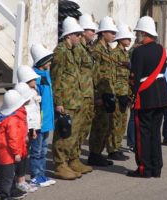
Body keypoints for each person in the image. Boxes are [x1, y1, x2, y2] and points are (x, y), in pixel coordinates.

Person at [127, 16, 167, 178]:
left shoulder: (138, 51)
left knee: (142, 134)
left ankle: (144, 168)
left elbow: (135, 77)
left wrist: (132, 96)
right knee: (154, 133)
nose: (138, 35)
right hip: (161, 96)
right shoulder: (161, 50)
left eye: (139, 32)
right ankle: (156, 168)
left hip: (145, 97)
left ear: (144, 33)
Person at [51, 16, 84, 180]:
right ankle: (60, 165)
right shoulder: (61, 52)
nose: (79, 37)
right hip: (65, 101)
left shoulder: (72, 50)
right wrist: (58, 102)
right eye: (77, 34)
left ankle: (70, 161)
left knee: (73, 134)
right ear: (68, 35)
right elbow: (56, 78)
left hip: (75, 99)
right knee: (63, 134)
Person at [68, 13, 98, 174]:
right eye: (91, 30)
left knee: (84, 129)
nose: (93, 33)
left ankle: (76, 158)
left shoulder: (87, 48)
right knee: (76, 129)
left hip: (89, 93)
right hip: (81, 94)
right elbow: (76, 72)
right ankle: (71, 159)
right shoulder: (77, 49)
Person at [87, 16, 118, 166]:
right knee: (98, 126)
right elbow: (94, 74)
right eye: (111, 32)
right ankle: (94, 154)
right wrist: (97, 96)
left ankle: (98, 153)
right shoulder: (96, 51)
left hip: (108, 92)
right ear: (103, 33)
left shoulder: (108, 49)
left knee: (106, 125)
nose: (114, 35)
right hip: (100, 93)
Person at [0, 89, 34, 200]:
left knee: (10, 174)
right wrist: (17, 153)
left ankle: (12, 192)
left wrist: (25, 135)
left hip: (7, 150)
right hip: (8, 152)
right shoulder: (12, 119)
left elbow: (19, 132)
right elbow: (13, 138)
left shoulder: (11, 116)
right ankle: (5, 195)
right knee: (7, 176)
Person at [29, 44, 57, 186]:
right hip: (38, 122)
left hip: (45, 121)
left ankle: (42, 175)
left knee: (43, 150)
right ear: (41, 62)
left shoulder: (45, 75)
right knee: (37, 151)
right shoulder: (35, 78)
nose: (50, 63)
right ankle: (35, 176)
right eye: (48, 60)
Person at [106, 23, 135, 160]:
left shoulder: (125, 53)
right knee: (116, 122)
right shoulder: (116, 54)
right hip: (118, 93)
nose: (129, 41)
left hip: (125, 92)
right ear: (120, 39)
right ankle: (113, 149)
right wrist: (119, 93)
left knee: (122, 122)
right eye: (127, 38)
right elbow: (113, 75)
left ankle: (117, 146)